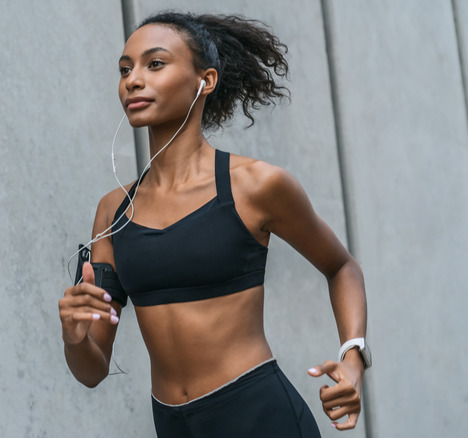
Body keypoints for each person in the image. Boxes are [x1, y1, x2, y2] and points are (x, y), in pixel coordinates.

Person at [58, 11, 369, 437]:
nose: (133, 80)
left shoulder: (256, 185)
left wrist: (354, 359)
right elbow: (92, 370)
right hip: (173, 425)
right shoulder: (113, 210)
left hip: (260, 417)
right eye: (125, 69)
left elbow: (341, 267)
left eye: (155, 64)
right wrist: (74, 338)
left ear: (205, 80)